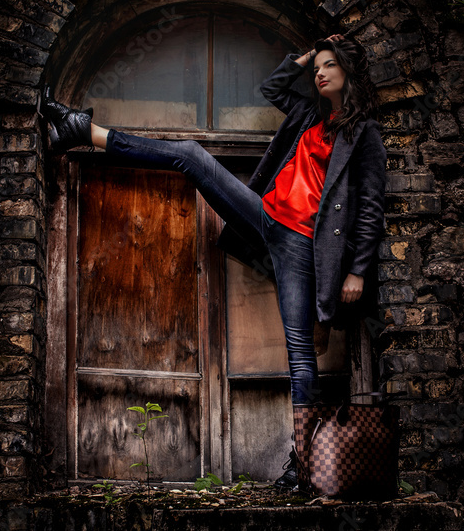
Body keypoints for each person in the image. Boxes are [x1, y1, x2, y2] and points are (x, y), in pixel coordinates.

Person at [38, 32, 387, 490]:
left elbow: (370, 207)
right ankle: (83, 130)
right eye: (317, 66)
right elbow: (273, 89)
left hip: (304, 247)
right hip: (267, 218)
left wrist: (358, 270)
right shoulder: (308, 116)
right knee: (190, 156)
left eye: (328, 65)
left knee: (301, 358)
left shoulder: (363, 135)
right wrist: (303, 57)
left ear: (348, 70)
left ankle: (305, 465)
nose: (319, 73)